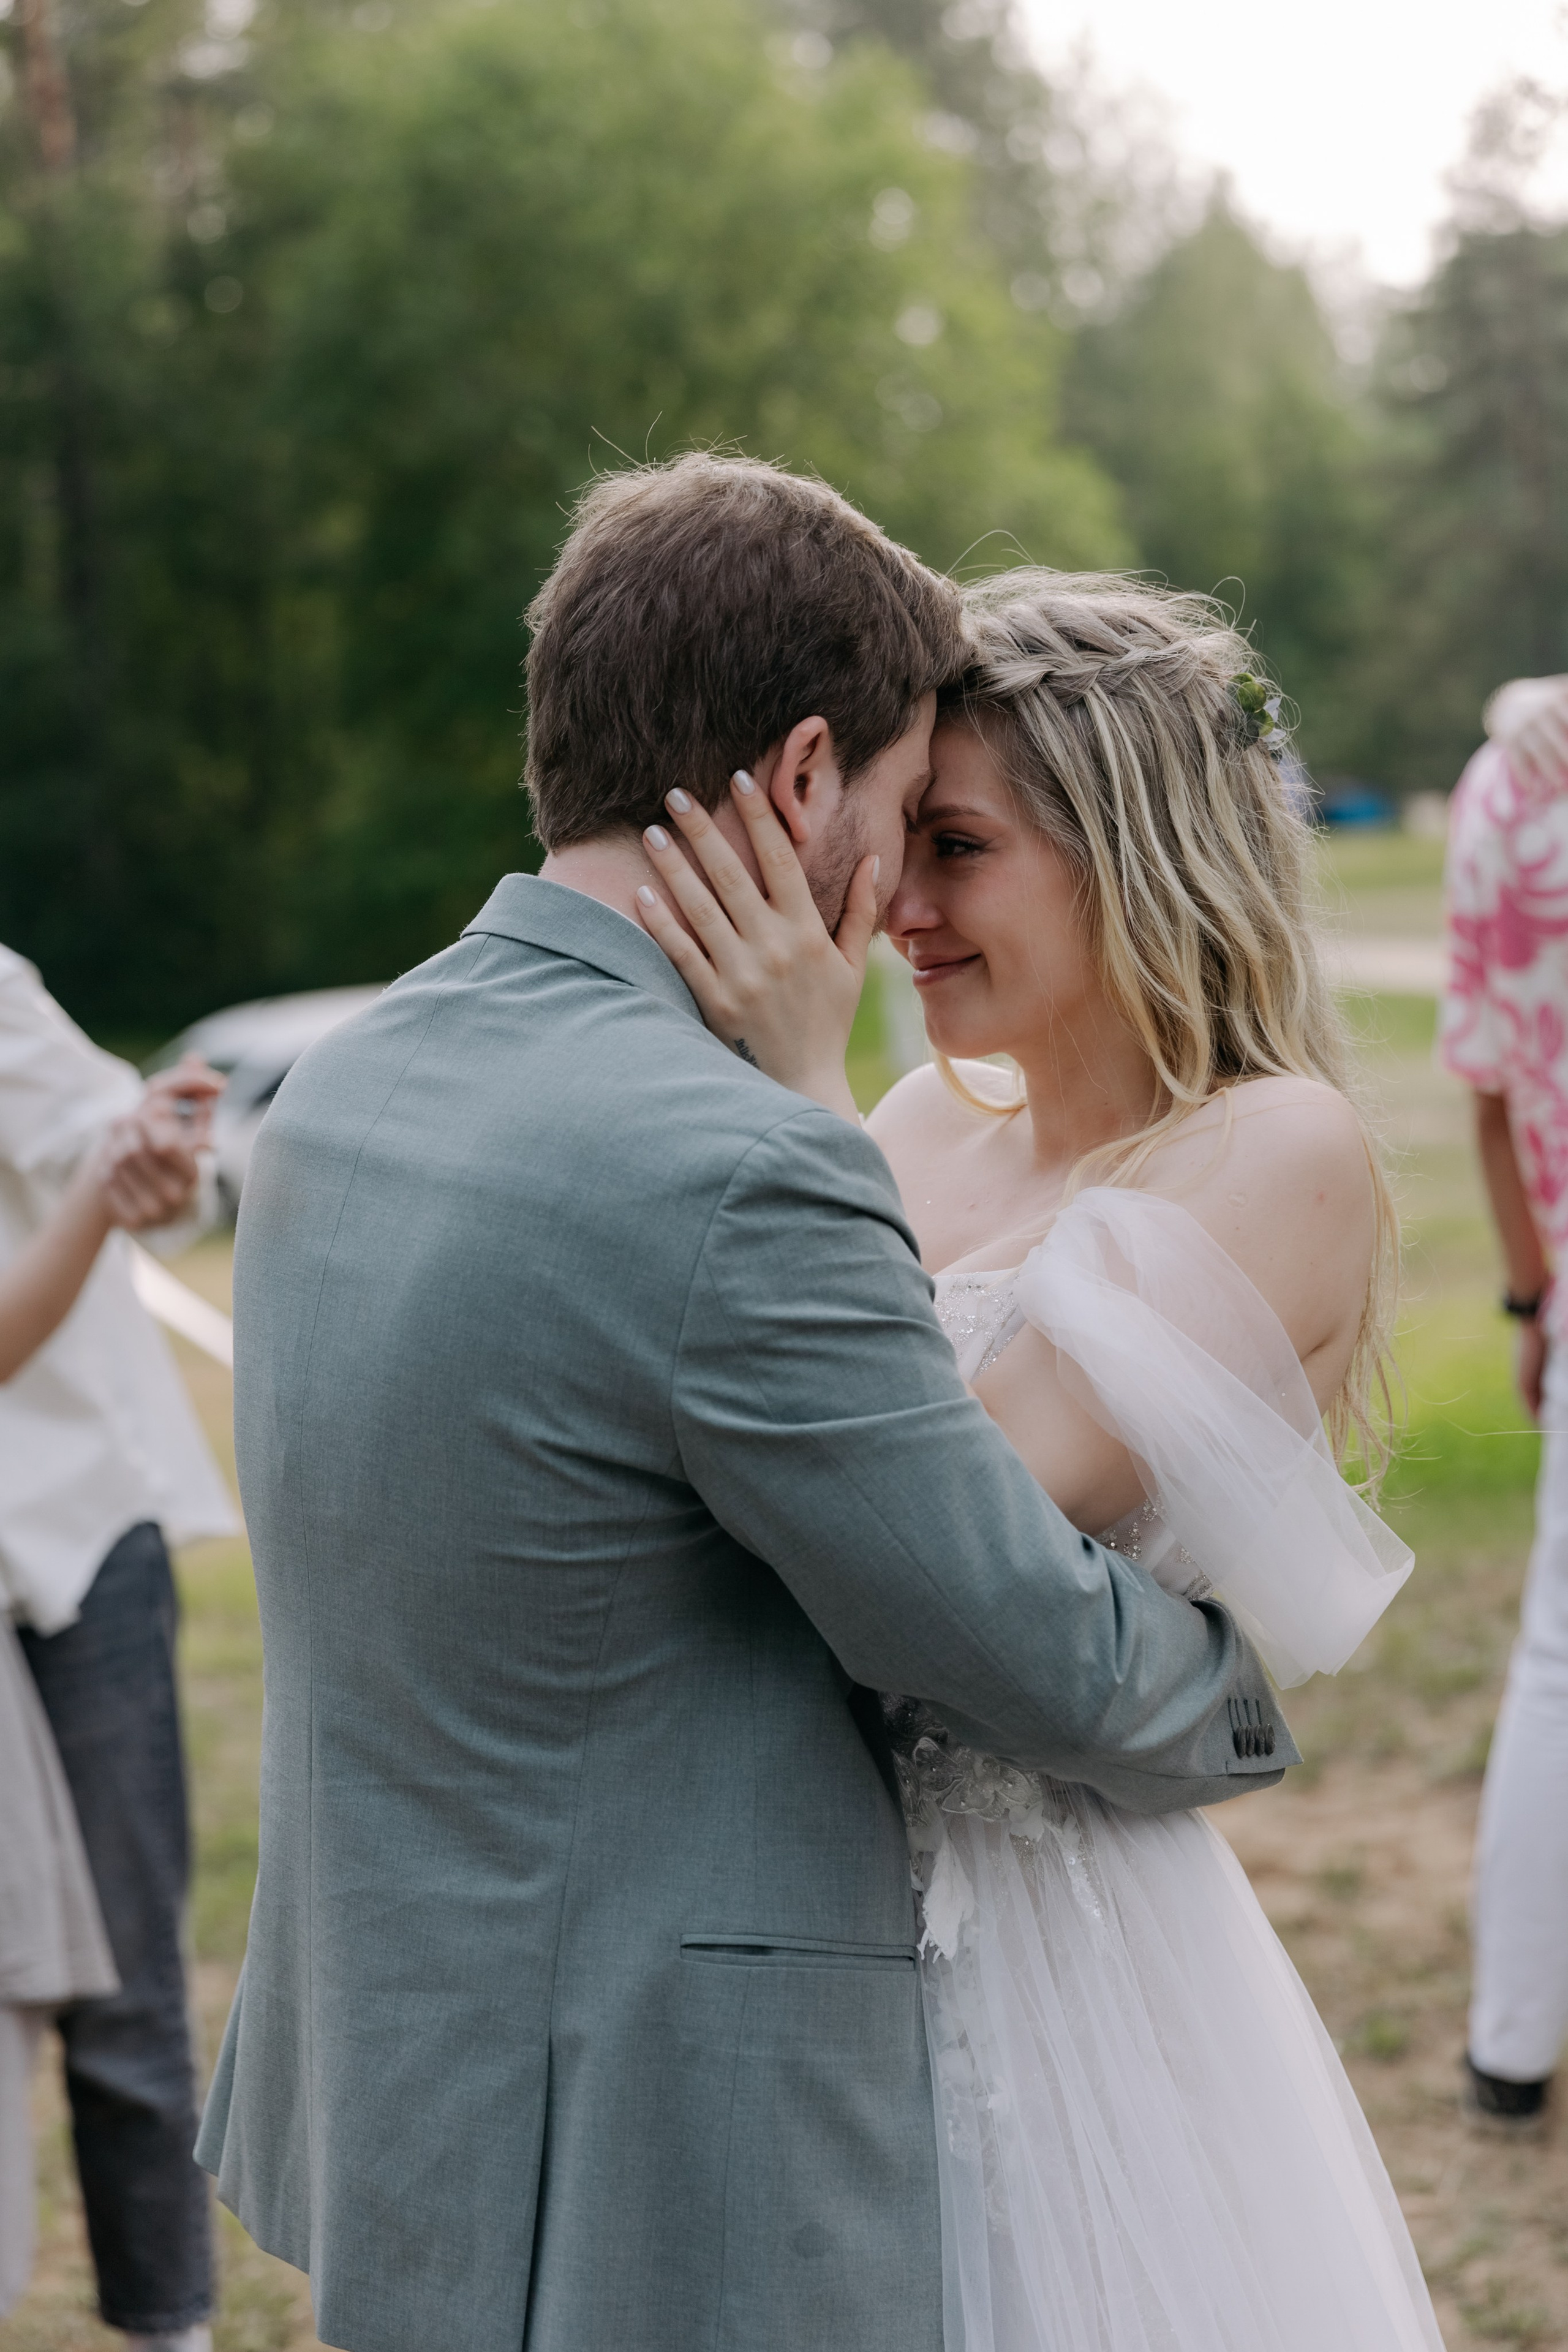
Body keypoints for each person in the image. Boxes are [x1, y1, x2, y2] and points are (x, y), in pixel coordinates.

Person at [196, 454, 1295, 2352]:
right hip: (660, 2153)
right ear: (802, 779)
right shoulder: (735, 1168)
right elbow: (1006, 1641)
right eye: (897, 815)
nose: (891, 905)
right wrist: (1233, 1698)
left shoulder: (341, 1093)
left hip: (407, 2083)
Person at [639, 571, 1444, 2348]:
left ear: (1127, 847)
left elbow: (945, 1511)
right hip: (788, 1896)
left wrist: (792, 1089)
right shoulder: (924, 1120)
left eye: (958, 848)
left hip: (1044, 1940)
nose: (898, 908)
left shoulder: (1273, 1148)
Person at [0, 944, 238, 2352]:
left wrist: (158, 1169)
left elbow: (131, 1148)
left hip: (76, 1538)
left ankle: (169, 2330)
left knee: (128, 2006)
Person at [1440, 670, 1568, 2131]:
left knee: (1554, 1668)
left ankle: (1510, 2046)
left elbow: (1485, 1090)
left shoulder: (1507, 787)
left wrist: (1533, 1296)